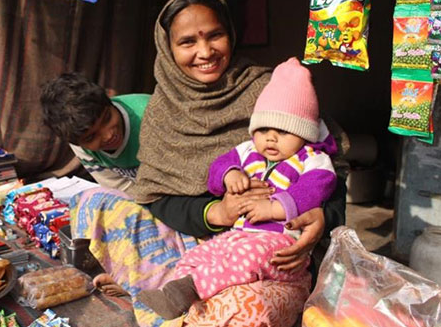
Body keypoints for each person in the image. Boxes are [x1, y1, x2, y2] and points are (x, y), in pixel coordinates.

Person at [70, 0, 345, 327]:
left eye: (215, 35)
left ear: (231, 34)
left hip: (274, 246)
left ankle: (166, 290)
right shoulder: (162, 111)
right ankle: (168, 286)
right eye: (187, 42)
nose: (205, 52)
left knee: (247, 308)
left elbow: (330, 170)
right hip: (202, 242)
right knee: (95, 202)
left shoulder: (274, 92)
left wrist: (321, 219)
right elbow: (156, 196)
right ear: (167, 48)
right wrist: (217, 212)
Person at [137, 57, 338, 319]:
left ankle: (191, 289)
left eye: (284, 131)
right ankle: (176, 294)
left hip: (279, 244)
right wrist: (228, 174)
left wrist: (276, 207)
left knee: (249, 258)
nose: (271, 138)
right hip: (236, 236)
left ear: (305, 133)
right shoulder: (247, 151)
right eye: (263, 129)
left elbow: (315, 189)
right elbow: (218, 166)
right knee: (202, 254)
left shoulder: (312, 159)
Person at [40, 72, 150, 192]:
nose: (108, 136)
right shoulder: (78, 139)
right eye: (91, 137)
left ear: (109, 102)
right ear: (77, 142)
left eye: (107, 119)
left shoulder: (150, 116)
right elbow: (121, 189)